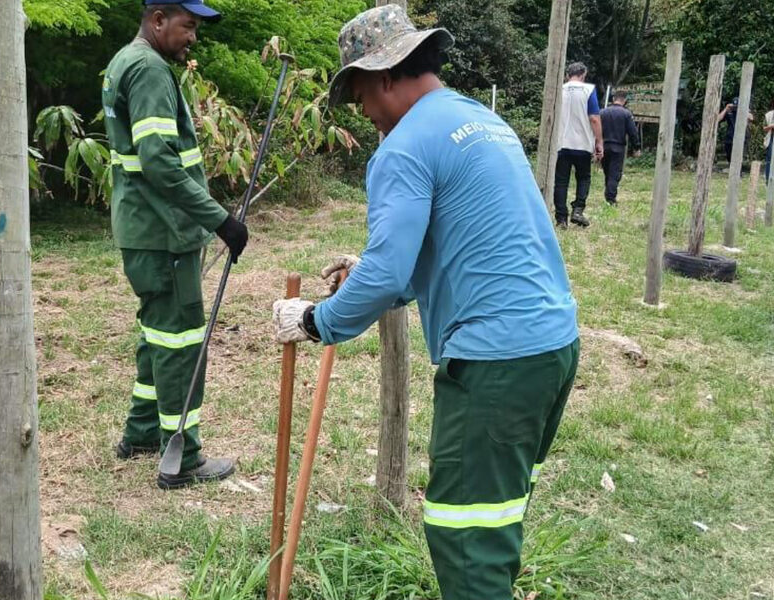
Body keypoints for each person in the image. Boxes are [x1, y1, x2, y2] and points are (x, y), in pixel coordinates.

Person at [271, 6, 580, 599]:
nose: (362, 113)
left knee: (464, 539)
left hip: (494, 363)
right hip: (553, 348)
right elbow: (459, 247)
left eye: (359, 94)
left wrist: (315, 321)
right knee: (495, 523)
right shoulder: (481, 121)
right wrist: (376, 270)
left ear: (385, 76)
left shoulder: (403, 147)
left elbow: (388, 277)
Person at [101, 0, 246, 490]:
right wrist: (220, 219)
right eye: (188, 26)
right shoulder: (150, 70)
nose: (193, 38)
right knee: (181, 339)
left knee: (157, 332)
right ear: (158, 19)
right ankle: (183, 458)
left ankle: (141, 433)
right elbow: (160, 163)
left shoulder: (125, 60)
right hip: (163, 233)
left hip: (142, 229)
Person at [554, 62, 603, 228]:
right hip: (582, 144)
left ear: (568, 75)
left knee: (561, 182)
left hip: (561, 143)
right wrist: (599, 142)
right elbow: (594, 118)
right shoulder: (588, 90)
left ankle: (561, 218)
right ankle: (578, 210)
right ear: (583, 74)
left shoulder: (558, 89)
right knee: (583, 178)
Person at [599, 90, 640, 205]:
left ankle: (608, 193)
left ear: (613, 99)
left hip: (604, 146)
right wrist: (636, 147)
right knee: (615, 173)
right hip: (618, 147)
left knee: (607, 172)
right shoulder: (626, 114)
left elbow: (596, 129)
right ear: (625, 100)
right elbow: (633, 132)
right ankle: (611, 198)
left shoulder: (602, 112)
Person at [718, 96, 753, 163]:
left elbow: (751, 118)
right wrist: (726, 109)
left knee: (738, 158)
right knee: (729, 157)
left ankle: (738, 172)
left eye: (737, 106)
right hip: (730, 138)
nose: (735, 108)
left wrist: (744, 109)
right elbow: (718, 119)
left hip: (741, 138)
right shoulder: (729, 112)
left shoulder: (743, 112)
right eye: (734, 106)